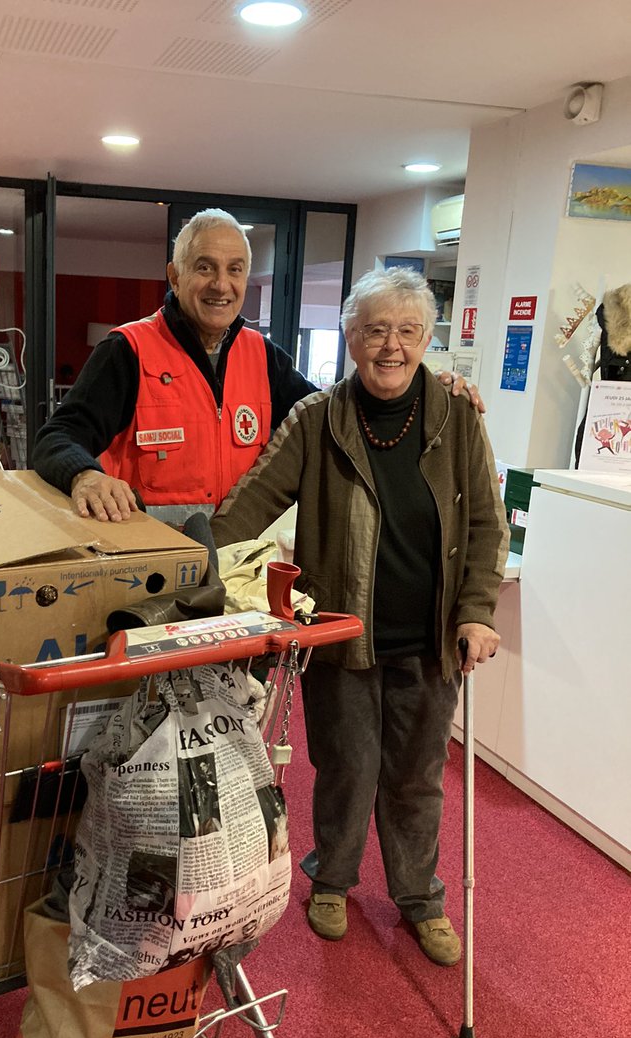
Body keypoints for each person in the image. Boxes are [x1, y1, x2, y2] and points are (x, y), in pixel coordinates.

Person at [210, 266, 509, 968]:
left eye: (407, 331)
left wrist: (476, 612)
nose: (391, 346)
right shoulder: (318, 420)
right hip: (344, 634)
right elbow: (252, 501)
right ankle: (334, 880)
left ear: (428, 339)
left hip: (432, 638)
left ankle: (419, 898)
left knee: (416, 775)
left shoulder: (457, 417)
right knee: (346, 765)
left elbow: (488, 527)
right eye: (375, 330)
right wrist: (189, 558)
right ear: (349, 338)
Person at [32, 209, 483, 526]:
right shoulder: (128, 350)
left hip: (237, 561)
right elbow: (56, 436)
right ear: (175, 276)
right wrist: (85, 474)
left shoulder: (263, 357)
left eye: (235, 269)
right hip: (151, 564)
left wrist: (425, 388)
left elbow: (336, 415)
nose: (221, 285)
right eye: (204, 267)